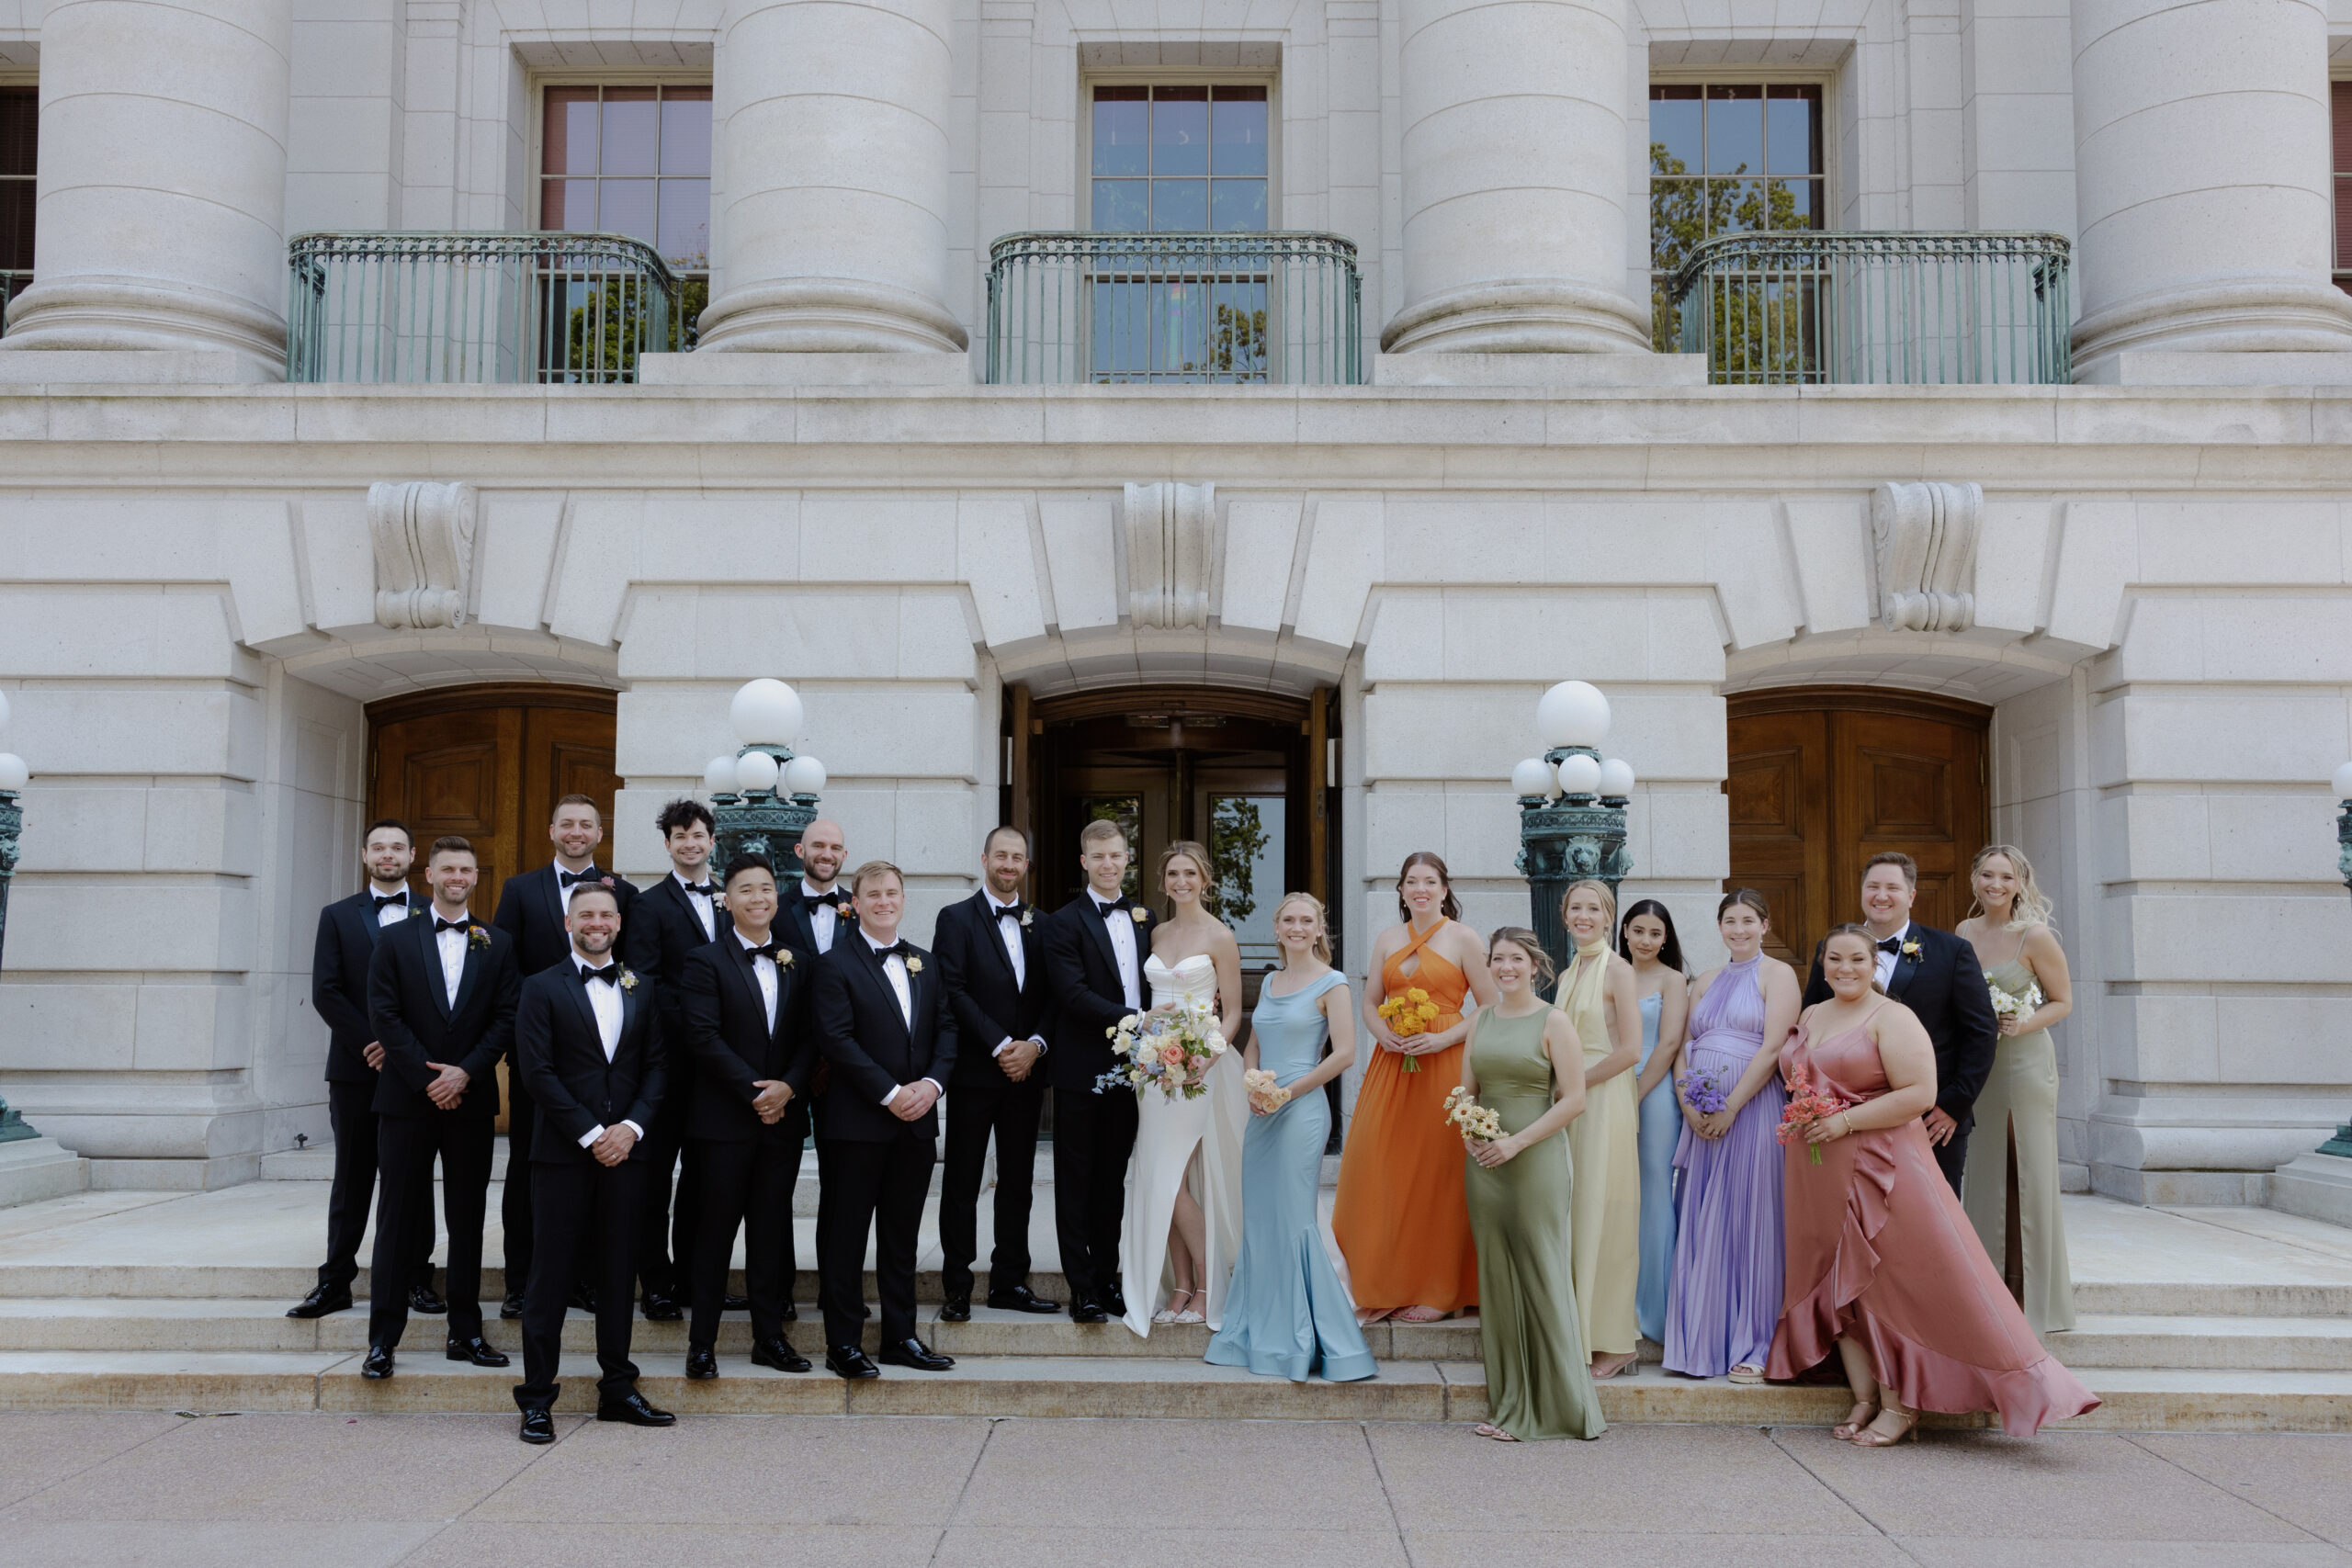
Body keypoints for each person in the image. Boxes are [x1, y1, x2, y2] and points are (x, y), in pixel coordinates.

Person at [1768, 924, 2099, 1444]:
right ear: (1822, 964)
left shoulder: (1894, 1018)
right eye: (1834, 959)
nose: (1845, 968)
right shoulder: (1812, 1014)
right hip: (1817, 1169)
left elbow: (1920, 1093)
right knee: (1836, 1283)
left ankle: (1901, 1407)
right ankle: (1863, 1397)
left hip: (1882, 1167)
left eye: (1857, 959)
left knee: (1884, 1286)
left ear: (1875, 964)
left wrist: (1844, 1122)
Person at [510, 881, 673, 1443]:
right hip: (561, 1155)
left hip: (628, 1154)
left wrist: (629, 1129)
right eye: (586, 915)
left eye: (606, 914)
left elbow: (657, 1067)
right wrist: (589, 1132)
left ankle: (618, 1389)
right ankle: (536, 1398)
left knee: (617, 1272)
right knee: (549, 1277)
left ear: (619, 924)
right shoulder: (538, 988)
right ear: (568, 923)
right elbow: (536, 1073)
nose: (597, 922)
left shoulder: (643, 987)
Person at [356, 836, 520, 1381]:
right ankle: (383, 1340)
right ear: (430, 874)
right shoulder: (395, 939)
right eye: (447, 868)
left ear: (476, 877)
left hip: (470, 1100)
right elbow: (384, 1013)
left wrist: (465, 1072)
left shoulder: (497, 943)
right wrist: (427, 1075)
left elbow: (505, 1016)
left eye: (466, 869)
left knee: (468, 1220)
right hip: (406, 1099)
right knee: (397, 1220)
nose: (457, 876)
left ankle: (466, 1331)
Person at [1204, 893, 1374, 1382]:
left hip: (1302, 1111)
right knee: (1260, 1219)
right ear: (1276, 928)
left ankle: (1306, 1337)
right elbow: (1253, 1043)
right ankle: (1254, 1331)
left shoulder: (1333, 982)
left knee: (1295, 1219)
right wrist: (1252, 1083)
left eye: (1307, 921)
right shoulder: (1272, 980)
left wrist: (1287, 1091)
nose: (1298, 928)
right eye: (1289, 921)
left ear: (1320, 929)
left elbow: (1343, 1054)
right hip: (1261, 1111)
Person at [492, 794, 641, 1319]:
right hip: (542, 1063)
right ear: (551, 829)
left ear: (600, 834)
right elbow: (503, 969)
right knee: (529, 1175)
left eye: (586, 825)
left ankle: (587, 1279)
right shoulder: (519, 889)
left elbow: (634, 971)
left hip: (605, 1067)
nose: (576, 832)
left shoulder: (623, 893)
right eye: (567, 823)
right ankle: (521, 1281)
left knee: (602, 1177)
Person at [811, 860, 959, 1379]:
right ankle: (844, 1345)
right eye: (872, 894)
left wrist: (932, 1086)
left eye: (891, 892)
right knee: (846, 1237)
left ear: (902, 898)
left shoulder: (926, 961)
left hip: (916, 1122)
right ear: (855, 902)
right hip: (856, 1125)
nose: (883, 901)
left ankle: (901, 1336)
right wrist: (891, 1092)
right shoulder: (833, 964)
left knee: (902, 1237)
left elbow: (946, 1029)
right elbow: (837, 1041)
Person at [1332, 852, 1494, 1325]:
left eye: (1429, 881)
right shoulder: (1386, 938)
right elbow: (1368, 1002)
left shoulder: (1463, 938)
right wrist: (1380, 1033)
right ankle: (1387, 1281)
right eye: (1411, 882)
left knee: (1439, 1174)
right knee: (1378, 1166)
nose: (1420, 889)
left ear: (1445, 889)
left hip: (1445, 1064)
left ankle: (1442, 1290)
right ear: (1401, 891)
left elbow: (1488, 1006)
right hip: (1391, 1062)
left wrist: (1442, 1037)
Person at [288, 818, 439, 1322]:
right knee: (353, 1177)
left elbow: (439, 994)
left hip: (413, 1071)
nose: (388, 855)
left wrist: (404, 1052)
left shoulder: (432, 911)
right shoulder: (337, 915)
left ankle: (418, 1277)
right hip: (356, 1068)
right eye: (379, 847)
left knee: (413, 1178)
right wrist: (372, 1043)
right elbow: (326, 990)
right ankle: (335, 1280)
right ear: (364, 855)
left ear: (413, 855)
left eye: (398, 847)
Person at [1461, 927, 1606, 1442]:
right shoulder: (1478, 1020)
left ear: (1534, 964)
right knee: (1497, 1281)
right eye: (1498, 959)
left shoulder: (1554, 1021)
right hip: (1485, 1164)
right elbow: (1467, 1092)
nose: (1506, 968)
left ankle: (1559, 1409)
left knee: (1543, 1273)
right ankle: (1509, 1406)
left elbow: (1573, 1099)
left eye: (1516, 959)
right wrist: (1472, 1137)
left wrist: (1515, 1144)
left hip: (1536, 1159)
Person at [677, 852, 817, 1380]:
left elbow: (809, 1038)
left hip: (781, 1120)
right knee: (714, 1233)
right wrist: (753, 1091)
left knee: (768, 1231)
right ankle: (702, 1342)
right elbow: (702, 1037)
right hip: (722, 1123)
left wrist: (787, 1088)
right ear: (727, 900)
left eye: (766, 890)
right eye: (746, 890)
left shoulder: (799, 961)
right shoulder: (704, 961)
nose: (758, 899)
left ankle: (768, 1338)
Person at [1803, 852, 1997, 1196]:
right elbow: (1812, 1026)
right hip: (1843, 1119)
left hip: (1931, 1119)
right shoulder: (1830, 951)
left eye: (1892, 887)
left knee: (1932, 1221)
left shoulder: (1952, 951)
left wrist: (1952, 1105)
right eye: (1873, 886)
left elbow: (1981, 1032)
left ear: (1911, 896)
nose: (1881, 895)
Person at [1665, 888, 1800, 1382]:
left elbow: (1771, 1050)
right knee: (1705, 1220)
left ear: (1765, 925)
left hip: (1753, 1112)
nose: (1738, 930)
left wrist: (1731, 1106)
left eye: (1748, 921)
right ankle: (1700, 1342)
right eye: (1729, 921)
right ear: (1719, 927)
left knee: (1752, 1218)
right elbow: (1682, 1046)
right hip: (1701, 1118)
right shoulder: (1703, 979)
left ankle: (1753, 1344)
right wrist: (1689, 1103)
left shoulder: (1777, 974)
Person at [932, 826, 1060, 1322]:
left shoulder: (1043, 925)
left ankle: (1010, 1280)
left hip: (1027, 1075)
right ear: (984, 858)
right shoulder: (956, 919)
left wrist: (1035, 1046)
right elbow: (954, 991)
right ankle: (957, 1286)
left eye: (1018, 858)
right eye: (1001, 855)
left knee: (1018, 1182)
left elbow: (1055, 996)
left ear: (1027, 865)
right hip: (973, 1073)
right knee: (962, 1182)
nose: (1009, 864)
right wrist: (1004, 1044)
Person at [1118, 840, 1245, 1334]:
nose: (1181, 882)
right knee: (1160, 1176)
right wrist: (1146, 1044)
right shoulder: (1155, 931)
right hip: (1151, 1070)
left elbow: (1232, 1010)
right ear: (1162, 880)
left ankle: (1210, 1287)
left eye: (1190, 873)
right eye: (1173, 873)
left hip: (1199, 1069)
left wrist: (1207, 1060)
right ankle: (1180, 1285)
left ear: (1205, 880)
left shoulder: (1221, 935)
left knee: (1170, 1177)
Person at [1956, 844, 2077, 1337]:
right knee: (1985, 1169)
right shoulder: (1965, 932)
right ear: (1975, 879)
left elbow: (2063, 1002)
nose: (1996, 885)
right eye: (1988, 875)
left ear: (2020, 883)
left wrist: (2021, 1023)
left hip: (2024, 1062)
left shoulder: (2035, 935)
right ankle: (1988, 1291)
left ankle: (2034, 1299)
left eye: (2006, 877)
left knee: (2025, 1166)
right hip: (1981, 1066)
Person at [619, 796, 731, 1324]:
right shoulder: (648, 904)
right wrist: (700, 1025)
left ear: (712, 840)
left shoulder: (735, 897)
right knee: (655, 1179)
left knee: (706, 1181)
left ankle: (695, 1278)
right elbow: (644, 980)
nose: (690, 843)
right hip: (670, 1061)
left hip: (720, 1070)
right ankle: (656, 1283)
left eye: (698, 834)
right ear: (668, 845)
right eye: (680, 835)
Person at [1039, 820, 1155, 1324]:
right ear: (1083, 862)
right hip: (1081, 1069)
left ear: (1127, 859)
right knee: (1076, 1180)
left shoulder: (1146, 919)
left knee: (1113, 1180)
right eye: (1099, 856)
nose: (1109, 864)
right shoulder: (1062, 922)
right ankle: (1080, 1287)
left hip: (1136, 1072)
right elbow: (1071, 994)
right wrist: (1137, 1021)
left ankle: (1108, 1280)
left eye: (1117, 855)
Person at [1558, 879, 1645, 1379]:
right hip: (1575, 1100)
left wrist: (1576, 1084)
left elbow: (1631, 1050)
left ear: (1608, 916)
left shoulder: (1618, 970)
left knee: (1605, 1212)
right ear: (1565, 915)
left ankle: (1615, 1341)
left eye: (1594, 908)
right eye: (1576, 908)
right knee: (1577, 1211)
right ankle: (1578, 1329)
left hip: (1604, 1097)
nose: (1584, 916)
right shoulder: (1573, 968)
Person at [1619, 898, 1690, 1349]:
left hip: (1655, 1091)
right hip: (1610, 1085)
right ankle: (1617, 1302)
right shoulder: (1609, 972)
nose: (1646, 940)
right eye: (1638, 931)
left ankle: (1656, 1311)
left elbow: (1667, 1046)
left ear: (1666, 939)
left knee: (1653, 1191)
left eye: (1655, 933)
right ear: (1624, 931)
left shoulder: (1673, 979)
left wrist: (1635, 1096)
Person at [780, 817, 853, 960]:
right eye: (818, 846)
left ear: (844, 855)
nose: (827, 855)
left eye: (835, 848)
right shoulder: (777, 909)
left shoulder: (861, 909)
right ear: (800, 851)